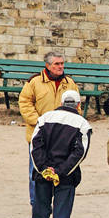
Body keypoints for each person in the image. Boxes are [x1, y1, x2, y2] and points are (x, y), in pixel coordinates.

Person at [29, 90, 92, 218]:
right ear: (79, 105)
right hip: (66, 177)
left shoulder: (44, 118)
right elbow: (79, 153)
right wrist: (60, 171)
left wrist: (44, 169)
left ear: (61, 102)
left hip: (43, 175)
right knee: (61, 215)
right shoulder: (82, 124)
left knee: (40, 214)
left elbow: (35, 147)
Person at [19, 51, 80, 206]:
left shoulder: (70, 84)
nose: (60, 67)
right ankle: (37, 202)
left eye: (62, 63)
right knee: (36, 170)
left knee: (61, 170)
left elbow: (77, 109)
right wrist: (40, 123)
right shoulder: (34, 82)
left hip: (63, 138)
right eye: (57, 64)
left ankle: (58, 201)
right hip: (39, 136)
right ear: (47, 65)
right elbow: (25, 104)